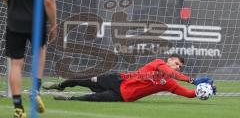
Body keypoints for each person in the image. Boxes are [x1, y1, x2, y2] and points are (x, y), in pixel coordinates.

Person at [0, 0, 57, 117]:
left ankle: (18, 108)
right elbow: (48, 1)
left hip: (14, 22)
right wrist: (54, 24)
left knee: (16, 64)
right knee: (40, 51)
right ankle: (34, 91)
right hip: (37, 22)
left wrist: (13, 8)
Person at [43, 54, 216, 102]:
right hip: (118, 80)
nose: (177, 67)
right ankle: (61, 85)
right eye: (177, 63)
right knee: (84, 78)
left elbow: (187, 93)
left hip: (123, 96)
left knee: (93, 98)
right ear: (169, 60)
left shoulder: (168, 84)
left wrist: (203, 92)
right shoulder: (158, 63)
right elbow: (171, 73)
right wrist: (192, 80)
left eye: (180, 66)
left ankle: (68, 98)